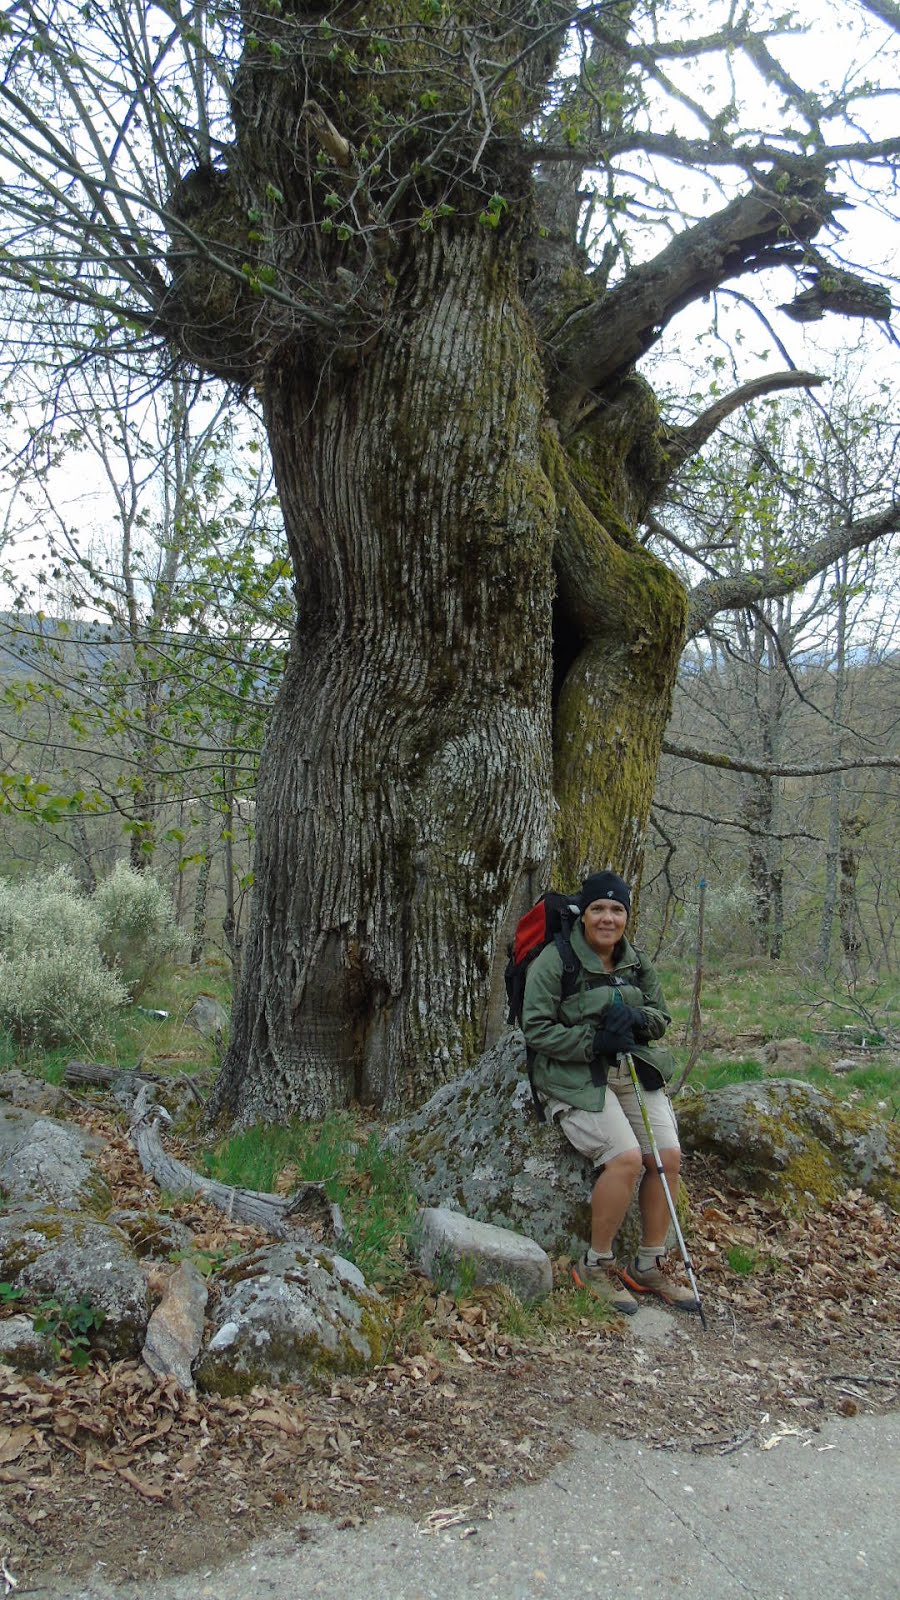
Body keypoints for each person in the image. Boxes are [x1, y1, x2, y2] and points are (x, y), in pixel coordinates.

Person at [521, 869, 698, 1315]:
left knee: (667, 1157)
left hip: (630, 1069)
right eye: (598, 908)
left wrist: (636, 1021)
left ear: (626, 916)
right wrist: (593, 1041)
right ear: (584, 915)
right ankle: (597, 1265)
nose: (608, 918)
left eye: (617, 909)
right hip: (572, 1074)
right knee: (625, 1158)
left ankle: (648, 1265)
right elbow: (536, 1030)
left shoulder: (635, 961)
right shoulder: (554, 961)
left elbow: (660, 1015)